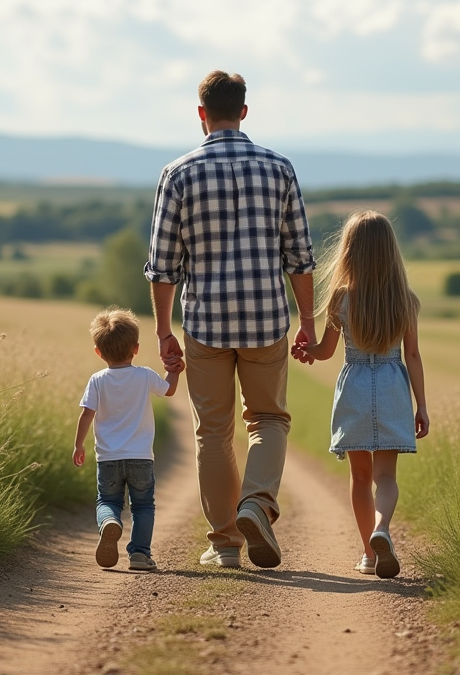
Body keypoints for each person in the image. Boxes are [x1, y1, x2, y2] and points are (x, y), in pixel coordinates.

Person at [145, 70, 316, 569]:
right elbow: (300, 256)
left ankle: (224, 544)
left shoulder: (177, 173)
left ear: (201, 114)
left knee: (213, 433)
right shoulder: (279, 168)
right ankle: (256, 503)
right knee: (268, 420)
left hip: (206, 324)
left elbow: (162, 265)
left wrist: (162, 331)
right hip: (266, 319)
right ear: (244, 110)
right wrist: (306, 320)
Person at [291, 210, 430, 579]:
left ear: (349, 251)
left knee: (359, 476)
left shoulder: (340, 299)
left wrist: (306, 349)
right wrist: (422, 406)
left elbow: (324, 351)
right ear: (390, 251)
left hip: (353, 385)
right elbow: (413, 355)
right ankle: (383, 528)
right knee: (386, 476)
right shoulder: (406, 300)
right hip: (392, 385)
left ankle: (369, 552)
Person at [73, 307, 183, 572]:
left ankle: (110, 522)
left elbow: (86, 414)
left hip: (108, 458)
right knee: (143, 505)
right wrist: (176, 370)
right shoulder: (144, 375)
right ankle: (139, 555)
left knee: (107, 501)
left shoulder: (97, 380)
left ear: (98, 352)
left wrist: (78, 445)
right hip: (141, 458)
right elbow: (168, 391)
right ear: (135, 348)